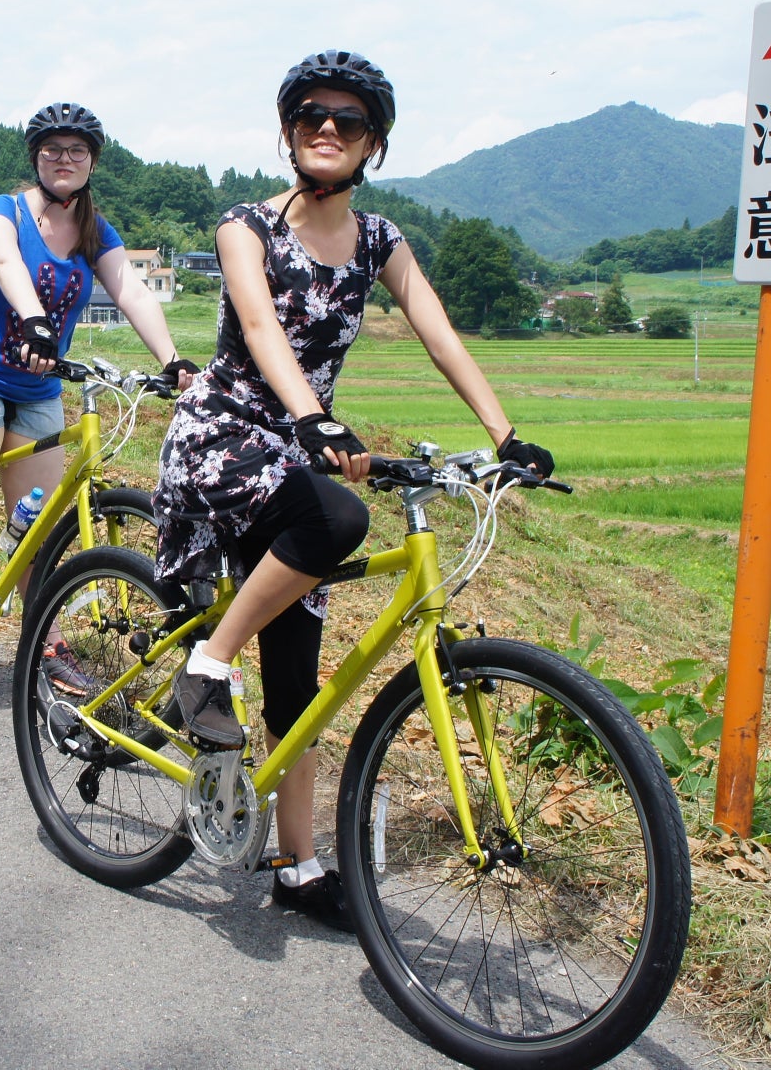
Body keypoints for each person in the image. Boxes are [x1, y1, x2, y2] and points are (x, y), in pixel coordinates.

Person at [151, 52, 553, 930]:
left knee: (299, 677)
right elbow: (258, 326)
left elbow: (436, 327)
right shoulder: (245, 225)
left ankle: (297, 865)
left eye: (349, 120)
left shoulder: (379, 239)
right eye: (311, 115)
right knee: (338, 516)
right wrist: (311, 417)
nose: (328, 129)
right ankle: (207, 668)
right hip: (226, 434)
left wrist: (503, 433)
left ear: (374, 143)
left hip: (299, 445)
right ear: (289, 129)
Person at [0, 102, 198, 681]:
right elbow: (1, 257)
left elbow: (132, 292)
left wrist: (171, 359)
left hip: (38, 383)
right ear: (36, 158)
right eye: (52, 151)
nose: (64, 160)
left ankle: (47, 643)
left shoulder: (94, 230)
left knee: (39, 521)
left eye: (76, 152)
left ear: (91, 163)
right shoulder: (5, 210)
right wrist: (35, 317)